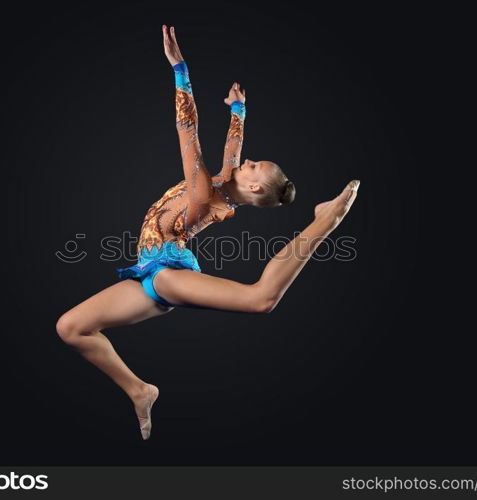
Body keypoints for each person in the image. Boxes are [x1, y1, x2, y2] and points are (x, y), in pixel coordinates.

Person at [56, 25, 360, 440]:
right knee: (71, 328)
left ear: (253, 187)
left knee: (260, 299)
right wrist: (238, 112)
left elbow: (189, 134)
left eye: (254, 167)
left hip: (167, 275)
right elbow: (233, 149)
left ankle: (327, 219)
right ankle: (140, 390)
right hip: (149, 272)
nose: (247, 161)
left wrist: (180, 70)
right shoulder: (224, 184)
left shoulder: (203, 192)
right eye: (251, 161)